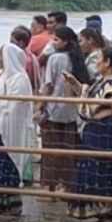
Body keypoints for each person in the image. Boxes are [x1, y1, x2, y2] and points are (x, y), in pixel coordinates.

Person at [64, 47, 112, 220]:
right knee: (94, 173)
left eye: (99, 59)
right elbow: (90, 98)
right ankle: (101, 216)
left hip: (104, 135)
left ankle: (106, 215)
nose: (96, 62)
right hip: (95, 134)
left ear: (108, 62)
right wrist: (75, 84)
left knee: (102, 174)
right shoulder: (102, 82)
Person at [36, 26, 91, 193]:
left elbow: (48, 86)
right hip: (73, 113)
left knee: (51, 150)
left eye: (56, 40)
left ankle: (50, 187)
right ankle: (67, 185)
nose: (53, 42)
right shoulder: (78, 59)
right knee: (69, 151)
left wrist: (40, 106)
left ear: (65, 42)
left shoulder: (55, 59)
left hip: (54, 111)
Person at [0, 43, 33, 215]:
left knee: (10, 164)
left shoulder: (20, 79)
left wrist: (2, 124)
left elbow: (15, 107)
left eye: (2, 56)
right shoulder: (4, 77)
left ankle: (13, 204)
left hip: (10, 129)